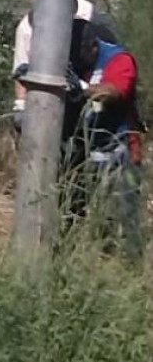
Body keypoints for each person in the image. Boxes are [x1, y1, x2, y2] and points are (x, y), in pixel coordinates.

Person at [61, 19, 145, 259]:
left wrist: (83, 90)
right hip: (83, 151)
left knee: (124, 216)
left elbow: (114, 92)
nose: (76, 60)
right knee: (71, 211)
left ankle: (131, 270)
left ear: (93, 47)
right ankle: (73, 261)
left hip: (121, 151)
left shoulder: (118, 59)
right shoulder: (72, 61)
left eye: (79, 54)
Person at [11, 0, 119, 127]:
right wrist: (21, 106)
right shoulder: (27, 27)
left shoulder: (92, 17)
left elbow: (113, 64)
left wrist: (84, 88)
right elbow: (20, 70)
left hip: (93, 98)